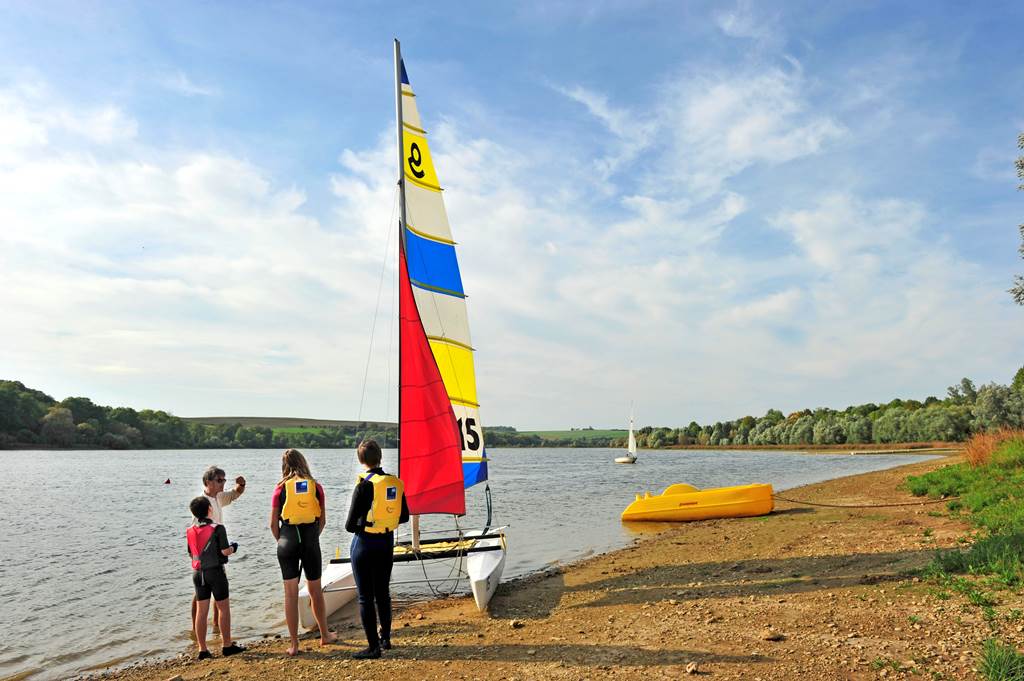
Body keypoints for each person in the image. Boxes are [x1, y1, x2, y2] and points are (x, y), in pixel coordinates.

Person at [344, 439, 409, 659]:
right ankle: (386, 639)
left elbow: (349, 525)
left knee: (365, 597)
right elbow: (404, 516)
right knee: (383, 593)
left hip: (364, 544)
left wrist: (365, 523)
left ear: (361, 460)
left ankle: (373, 648)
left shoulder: (364, 485)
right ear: (380, 457)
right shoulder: (395, 483)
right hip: (386, 543)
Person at [270, 449, 337, 656]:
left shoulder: (279, 489)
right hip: (310, 540)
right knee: (315, 591)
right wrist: (311, 539)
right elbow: (322, 521)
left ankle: (294, 645)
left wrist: (283, 541)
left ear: (284, 466)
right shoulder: (316, 487)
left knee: (290, 594)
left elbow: (273, 525)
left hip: (287, 541)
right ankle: (325, 635)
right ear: (303, 463)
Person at [187, 496, 245, 659]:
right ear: (209, 509)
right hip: (216, 572)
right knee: (223, 609)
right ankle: (227, 646)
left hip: (198, 574)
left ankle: (202, 649)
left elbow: (191, 553)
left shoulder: (190, 530)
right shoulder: (218, 528)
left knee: (201, 611)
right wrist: (233, 547)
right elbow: (224, 551)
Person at [191, 465, 247, 629]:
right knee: (200, 595)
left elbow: (235, 493)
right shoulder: (201, 503)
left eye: (224, 480)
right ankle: (195, 629)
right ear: (208, 482)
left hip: (218, 551)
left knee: (219, 591)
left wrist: (241, 484)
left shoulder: (218, 497)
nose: (223, 483)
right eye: (219, 480)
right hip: (205, 556)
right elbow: (196, 532)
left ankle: (216, 624)